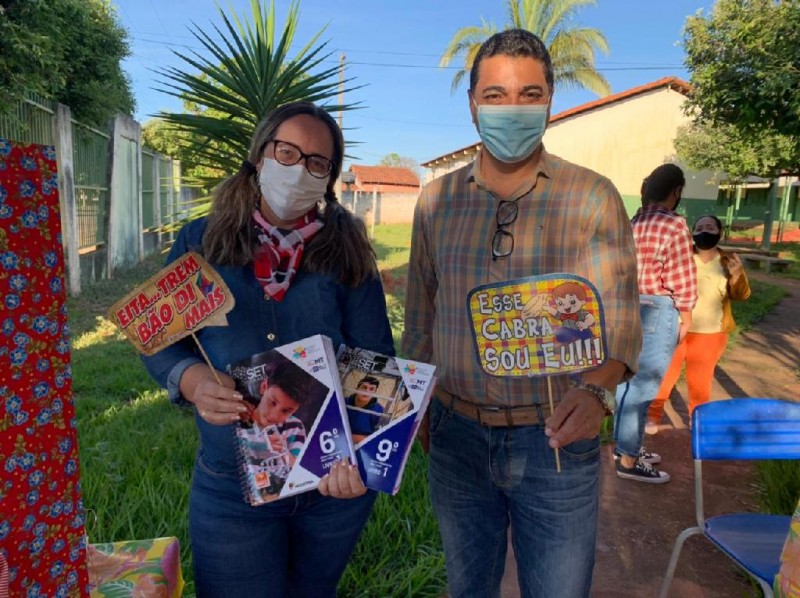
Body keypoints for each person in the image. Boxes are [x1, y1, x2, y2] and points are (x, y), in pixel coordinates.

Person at [401, 29, 642, 598]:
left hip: (555, 438)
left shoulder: (592, 197)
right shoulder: (435, 200)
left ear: (549, 103)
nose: (512, 109)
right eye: (496, 94)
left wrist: (597, 394)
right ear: (473, 104)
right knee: (467, 587)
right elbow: (419, 318)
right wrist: (419, 409)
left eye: (529, 95)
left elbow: (623, 324)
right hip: (455, 438)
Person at [141, 100, 395, 598]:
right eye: (287, 152)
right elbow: (159, 339)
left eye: (317, 162)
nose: (299, 169)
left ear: (328, 179)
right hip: (232, 486)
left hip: (330, 484)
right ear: (260, 156)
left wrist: (360, 462)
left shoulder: (347, 252)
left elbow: (376, 362)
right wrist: (192, 381)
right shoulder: (202, 242)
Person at [613, 163, 697, 484]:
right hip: (660, 307)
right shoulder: (675, 225)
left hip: (629, 305)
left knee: (625, 383)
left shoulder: (633, 222)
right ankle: (629, 461)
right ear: (675, 192)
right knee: (644, 387)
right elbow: (681, 278)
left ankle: (626, 446)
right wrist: (685, 315)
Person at [648, 214, 750, 427]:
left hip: (711, 334)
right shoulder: (681, 258)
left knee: (700, 380)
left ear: (719, 233)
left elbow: (742, 295)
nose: (705, 231)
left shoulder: (728, 261)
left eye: (710, 227)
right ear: (692, 233)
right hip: (676, 328)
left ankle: (698, 419)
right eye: (700, 226)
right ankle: (653, 415)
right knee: (665, 374)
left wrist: (737, 275)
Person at [345, 375, 385, 442]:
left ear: (375, 393)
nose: (367, 391)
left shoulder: (379, 411)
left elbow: (377, 439)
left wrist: (349, 437)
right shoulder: (342, 402)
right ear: (357, 388)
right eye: (364, 387)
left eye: (371, 389)